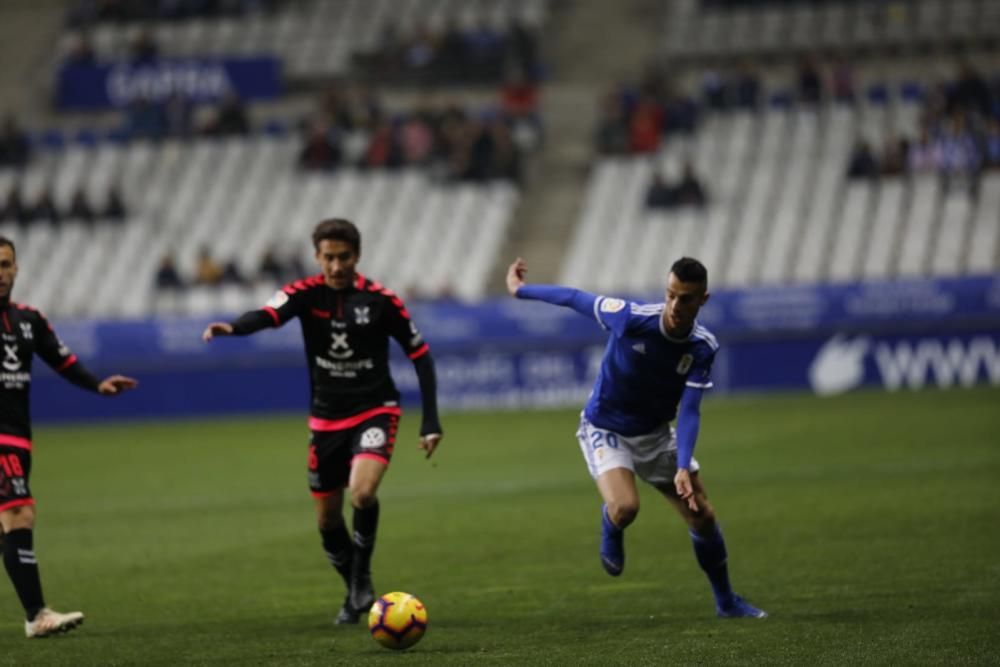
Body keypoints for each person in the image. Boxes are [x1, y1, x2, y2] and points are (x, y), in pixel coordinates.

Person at [201, 219, 443, 625]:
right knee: (328, 522)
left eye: (343, 257)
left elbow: (420, 355)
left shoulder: (382, 301)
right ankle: (354, 593)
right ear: (317, 257)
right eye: (328, 257)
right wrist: (234, 328)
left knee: (362, 494)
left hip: (375, 409)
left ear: (357, 256)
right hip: (326, 419)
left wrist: (430, 420)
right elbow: (268, 313)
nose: (335, 266)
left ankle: (361, 578)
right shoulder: (304, 294)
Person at [505, 256, 766, 619]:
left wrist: (680, 465)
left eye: (686, 299)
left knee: (702, 515)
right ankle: (611, 522)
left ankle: (726, 602)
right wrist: (520, 290)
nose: (675, 305)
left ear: (703, 300)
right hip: (605, 428)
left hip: (656, 435)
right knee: (626, 508)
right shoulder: (630, 317)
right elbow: (573, 297)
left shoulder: (702, 347)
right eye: (671, 295)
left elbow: (690, 410)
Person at [0, 235, 138, 638]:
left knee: (6, 525)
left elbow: (63, 360)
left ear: (16, 269)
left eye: (6, 264)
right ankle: (36, 615)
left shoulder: (29, 320)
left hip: (17, 435)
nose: (0, 273)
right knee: (19, 514)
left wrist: (97, 385)